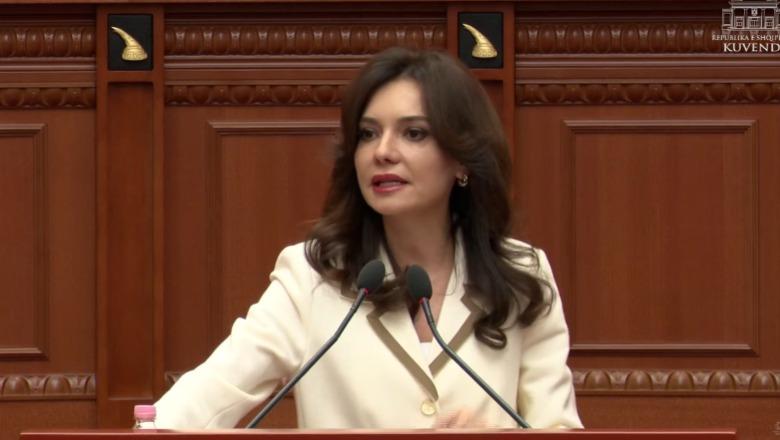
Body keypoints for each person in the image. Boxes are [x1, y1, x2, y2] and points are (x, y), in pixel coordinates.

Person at [154, 47, 582, 430]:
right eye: (368, 134)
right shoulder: (313, 275)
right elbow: (203, 400)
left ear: (462, 160)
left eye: (414, 133)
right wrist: (151, 428)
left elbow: (557, 427)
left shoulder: (522, 276)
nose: (383, 152)